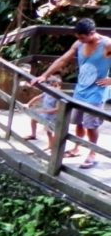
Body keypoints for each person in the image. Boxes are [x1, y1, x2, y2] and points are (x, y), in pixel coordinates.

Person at [33, 18, 111, 169]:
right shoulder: (78, 44)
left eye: (83, 38)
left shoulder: (107, 44)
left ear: (92, 33)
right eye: (78, 38)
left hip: (97, 91)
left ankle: (92, 153)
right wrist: (45, 75)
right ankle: (77, 148)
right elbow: (63, 60)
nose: (81, 41)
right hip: (81, 88)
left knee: (91, 125)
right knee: (78, 122)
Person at [24, 74, 62, 152]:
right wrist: (28, 104)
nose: (54, 88)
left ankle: (52, 146)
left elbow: (57, 109)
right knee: (34, 119)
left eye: (56, 86)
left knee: (49, 132)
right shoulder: (46, 93)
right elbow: (37, 97)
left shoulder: (59, 97)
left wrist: (43, 111)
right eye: (52, 86)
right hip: (45, 114)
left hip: (53, 117)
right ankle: (33, 135)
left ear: (59, 87)